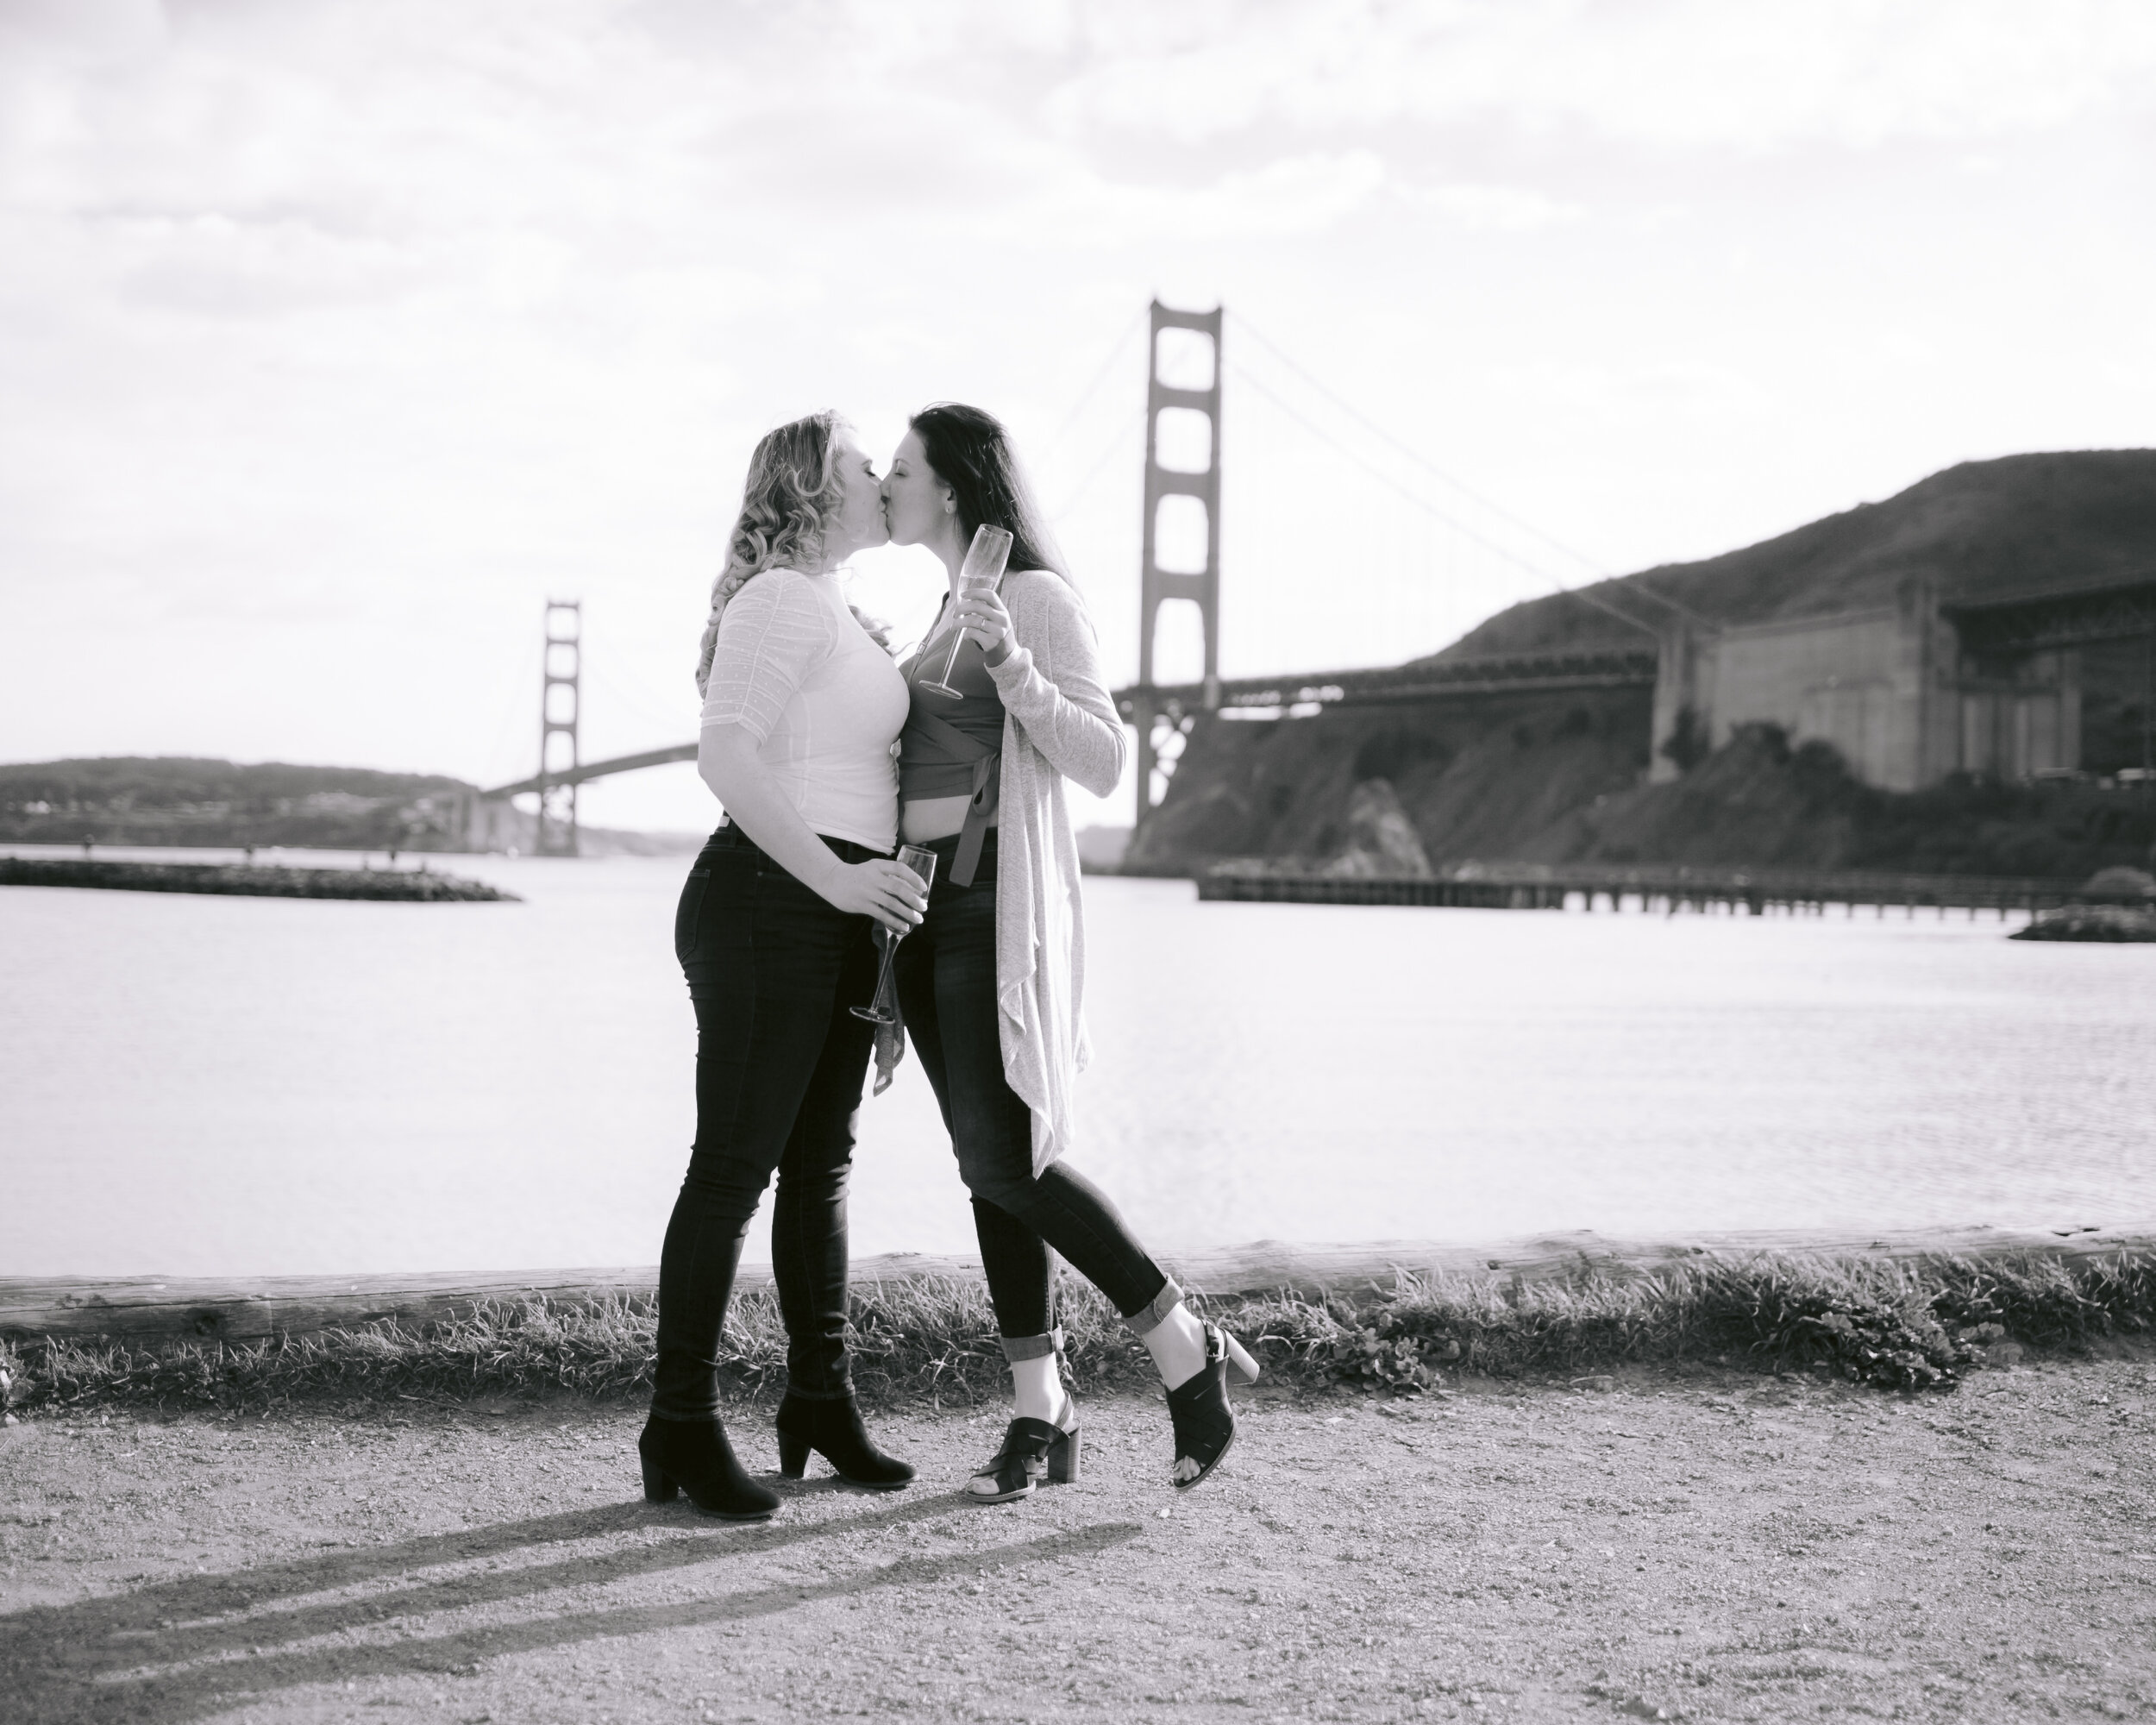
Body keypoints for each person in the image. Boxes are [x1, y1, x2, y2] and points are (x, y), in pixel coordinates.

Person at [881, 403, 1258, 1502]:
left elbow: (1100, 756)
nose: (883, 480)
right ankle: (1040, 1408)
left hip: (995, 907)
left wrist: (1011, 663)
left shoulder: (1032, 599)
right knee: (983, 1169)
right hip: (924, 911)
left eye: (899, 469)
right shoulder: (941, 602)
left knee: (1012, 1159)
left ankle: (1181, 1337)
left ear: (951, 483)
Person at [638, 411, 931, 1521]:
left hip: (831, 908)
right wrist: (841, 884)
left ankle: (818, 1401)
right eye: (865, 461)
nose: (882, 474)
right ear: (814, 485)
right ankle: (678, 1422)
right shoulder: (775, 601)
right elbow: (725, 754)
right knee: (733, 1171)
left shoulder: (837, 615)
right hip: (767, 903)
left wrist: (873, 914)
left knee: (821, 1171)